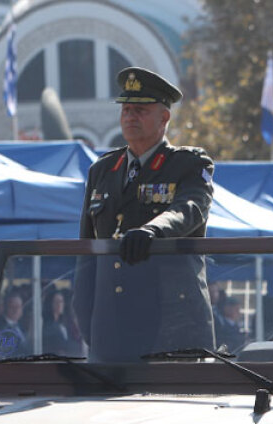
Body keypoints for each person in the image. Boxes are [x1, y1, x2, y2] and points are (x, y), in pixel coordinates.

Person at [76, 66, 215, 361]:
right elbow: (86, 255)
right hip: (111, 329)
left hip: (172, 325)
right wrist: (86, 317)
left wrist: (153, 231)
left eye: (140, 110)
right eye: (126, 109)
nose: (129, 116)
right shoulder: (102, 171)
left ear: (164, 117)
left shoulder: (188, 164)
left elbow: (191, 207)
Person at [42, 289, 83, 357]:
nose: (59, 304)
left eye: (61, 301)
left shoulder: (64, 324)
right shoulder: (48, 326)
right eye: (56, 302)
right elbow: (62, 344)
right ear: (50, 303)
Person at [0, 291, 29, 358]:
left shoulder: (22, 326)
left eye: (18, 306)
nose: (16, 310)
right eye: (12, 306)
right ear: (5, 308)